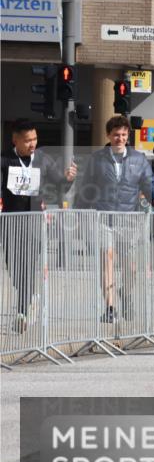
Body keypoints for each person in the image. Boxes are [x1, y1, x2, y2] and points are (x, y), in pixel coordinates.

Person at [74, 116, 154, 323]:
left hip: (128, 220)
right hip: (103, 217)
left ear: (128, 136)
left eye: (124, 135)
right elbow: (86, 188)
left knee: (130, 268)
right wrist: (79, 212)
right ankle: (110, 307)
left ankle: (126, 293)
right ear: (108, 135)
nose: (120, 138)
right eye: (116, 134)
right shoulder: (96, 159)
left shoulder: (138, 159)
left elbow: (147, 182)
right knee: (107, 260)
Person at [1, 120, 77, 332]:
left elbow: (59, 183)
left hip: (34, 222)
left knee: (27, 264)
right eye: (27, 140)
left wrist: (69, 179)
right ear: (15, 140)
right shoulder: (5, 159)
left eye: (34, 139)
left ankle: (22, 311)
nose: (32, 144)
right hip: (11, 221)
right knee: (14, 267)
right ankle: (28, 298)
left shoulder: (43, 159)